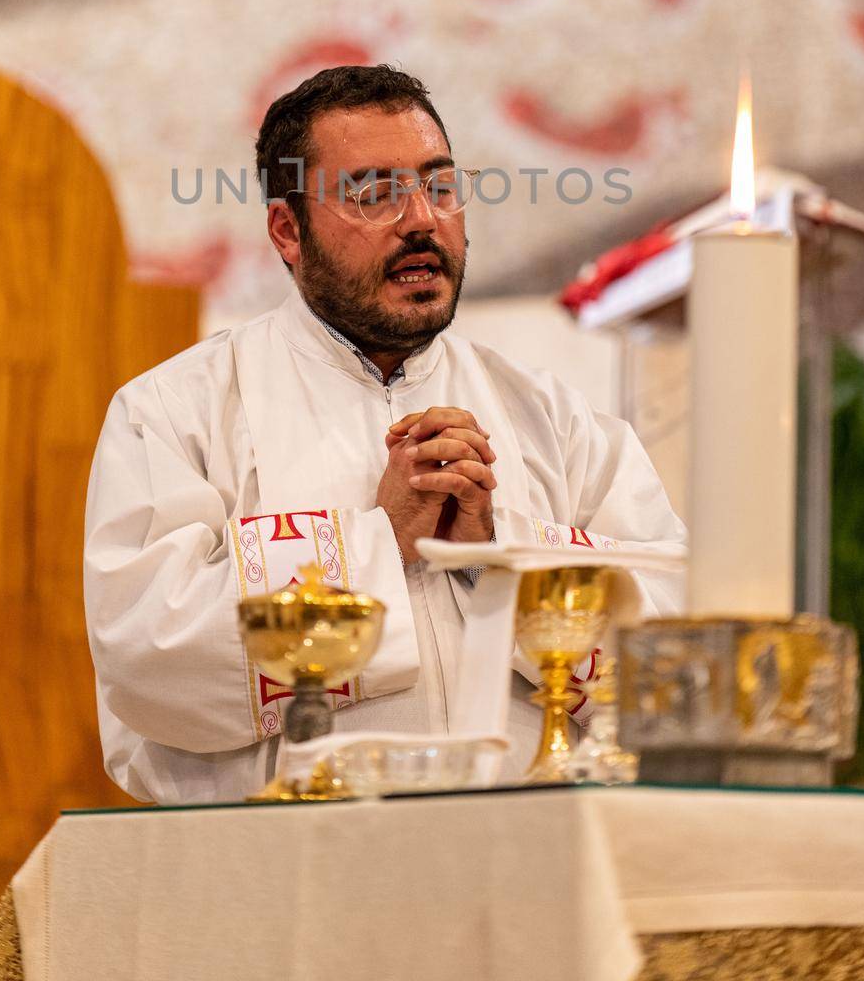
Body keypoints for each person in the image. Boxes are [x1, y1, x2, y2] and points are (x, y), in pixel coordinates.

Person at [84, 65, 686, 802]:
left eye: (439, 186)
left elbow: (674, 663)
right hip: (285, 875)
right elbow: (147, 661)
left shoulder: (558, 423)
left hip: (526, 867)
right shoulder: (175, 414)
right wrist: (382, 544)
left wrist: (496, 555)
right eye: (373, 195)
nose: (421, 221)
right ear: (286, 230)